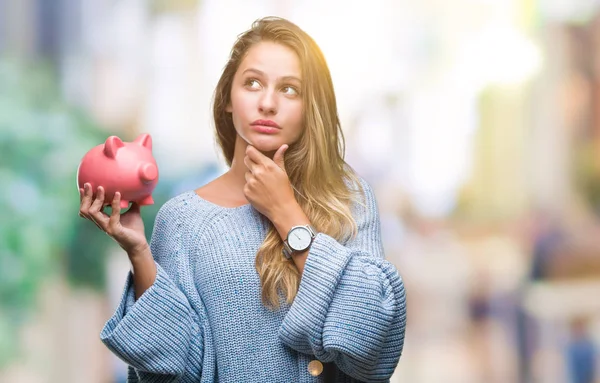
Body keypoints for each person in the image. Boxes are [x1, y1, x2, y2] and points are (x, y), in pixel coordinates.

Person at [79, 16, 406, 383]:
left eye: (290, 89)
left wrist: (287, 214)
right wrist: (139, 252)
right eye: (252, 83)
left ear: (310, 107)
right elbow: (172, 370)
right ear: (229, 99)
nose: (267, 103)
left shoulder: (347, 198)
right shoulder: (184, 219)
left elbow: (374, 341)